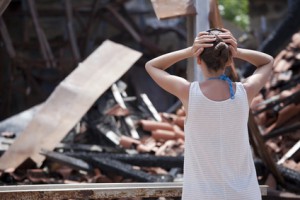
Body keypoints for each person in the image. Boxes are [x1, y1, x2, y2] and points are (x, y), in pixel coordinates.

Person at [145, 28, 273, 200]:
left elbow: (151, 65)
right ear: (229, 60)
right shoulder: (245, 91)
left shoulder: (188, 92)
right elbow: (267, 61)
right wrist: (238, 51)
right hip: (245, 194)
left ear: (198, 59)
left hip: (201, 195)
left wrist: (188, 51)